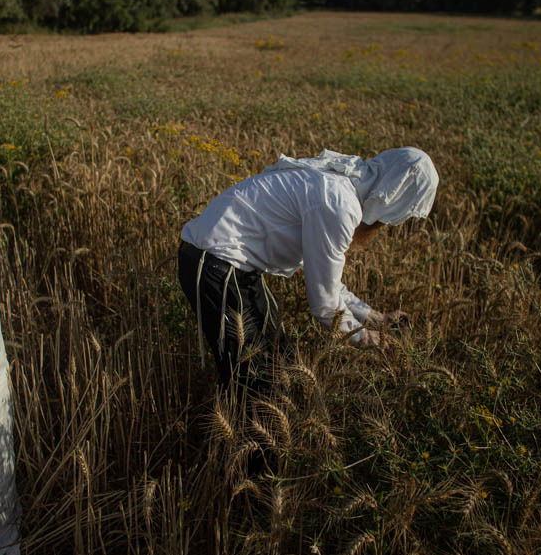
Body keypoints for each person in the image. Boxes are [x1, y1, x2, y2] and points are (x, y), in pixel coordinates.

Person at [178, 147, 439, 392]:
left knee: (279, 359)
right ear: (395, 199)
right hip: (216, 266)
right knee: (254, 376)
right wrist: (365, 338)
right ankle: (242, 424)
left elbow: (328, 281)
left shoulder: (338, 188)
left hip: (227, 266)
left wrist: (374, 318)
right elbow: (325, 304)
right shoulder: (338, 204)